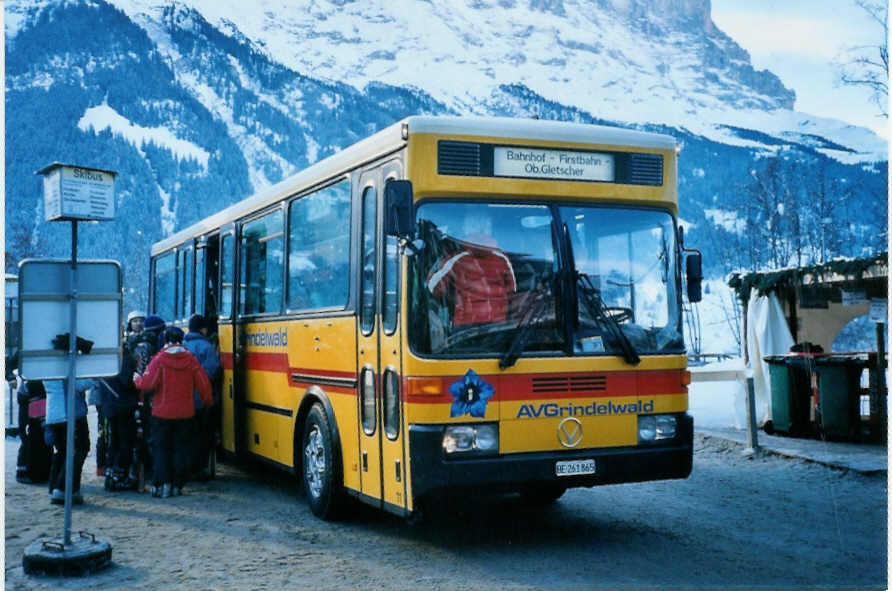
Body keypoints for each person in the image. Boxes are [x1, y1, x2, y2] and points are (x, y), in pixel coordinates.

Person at [134, 326, 213, 498]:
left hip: (161, 413)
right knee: (180, 449)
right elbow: (204, 384)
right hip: (185, 413)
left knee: (161, 449)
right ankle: (177, 485)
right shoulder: (190, 359)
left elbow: (148, 384)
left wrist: (137, 380)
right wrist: (207, 403)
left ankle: (163, 484)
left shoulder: (159, 359)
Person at [426, 215, 516, 326]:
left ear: (466, 229)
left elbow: (433, 287)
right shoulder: (502, 258)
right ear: (489, 230)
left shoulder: (456, 259)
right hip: (497, 327)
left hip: (466, 329)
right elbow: (513, 290)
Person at [183, 314, 221, 478]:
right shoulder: (206, 347)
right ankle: (198, 468)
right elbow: (212, 370)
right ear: (203, 329)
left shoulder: (182, 345)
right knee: (201, 434)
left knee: (186, 434)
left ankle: (187, 467)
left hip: (182, 400)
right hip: (199, 399)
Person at [44, 378, 93, 504]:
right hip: (70, 412)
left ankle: (60, 487)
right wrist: (94, 377)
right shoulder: (64, 361)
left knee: (63, 451)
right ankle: (63, 488)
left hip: (54, 412)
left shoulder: (49, 361)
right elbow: (78, 384)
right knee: (79, 449)